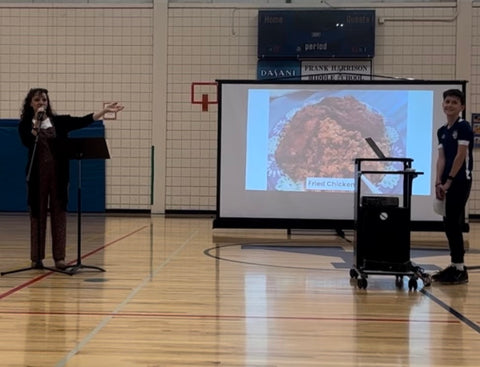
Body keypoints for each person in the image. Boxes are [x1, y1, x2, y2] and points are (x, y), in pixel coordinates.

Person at [18, 88, 124, 270]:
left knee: (59, 214)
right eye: (37, 100)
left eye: (44, 99)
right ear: (30, 103)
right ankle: (37, 258)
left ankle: (59, 258)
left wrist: (104, 112)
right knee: (38, 215)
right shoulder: (25, 124)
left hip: (58, 176)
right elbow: (28, 141)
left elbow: (83, 120)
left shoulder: (59, 122)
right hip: (37, 176)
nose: (41, 103)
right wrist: (36, 122)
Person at [432, 89, 473, 284]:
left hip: (460, 181)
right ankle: (456, 265)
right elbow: (442, 158)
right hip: (446, 182)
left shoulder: (464, 127)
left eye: (454, 103)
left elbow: (460, 155)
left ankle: (459, 269)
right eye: (447, 101)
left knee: (454, 224)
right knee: (448, 224)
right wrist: (438, 182)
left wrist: (449, 180)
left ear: (461, 107)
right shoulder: (442, 131)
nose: (449, 105)